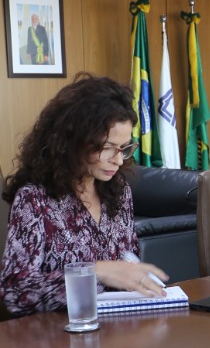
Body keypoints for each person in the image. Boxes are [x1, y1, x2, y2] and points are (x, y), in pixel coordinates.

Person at [1, 74, 168, 316]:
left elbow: (125, 266)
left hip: (115, 327)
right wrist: (94, 271)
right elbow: (15, 292)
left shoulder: (119, 191)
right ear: (73, 141)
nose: (119, 160)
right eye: (108, 148)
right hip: (58, 332)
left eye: (124, 148)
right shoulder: (34, 200)